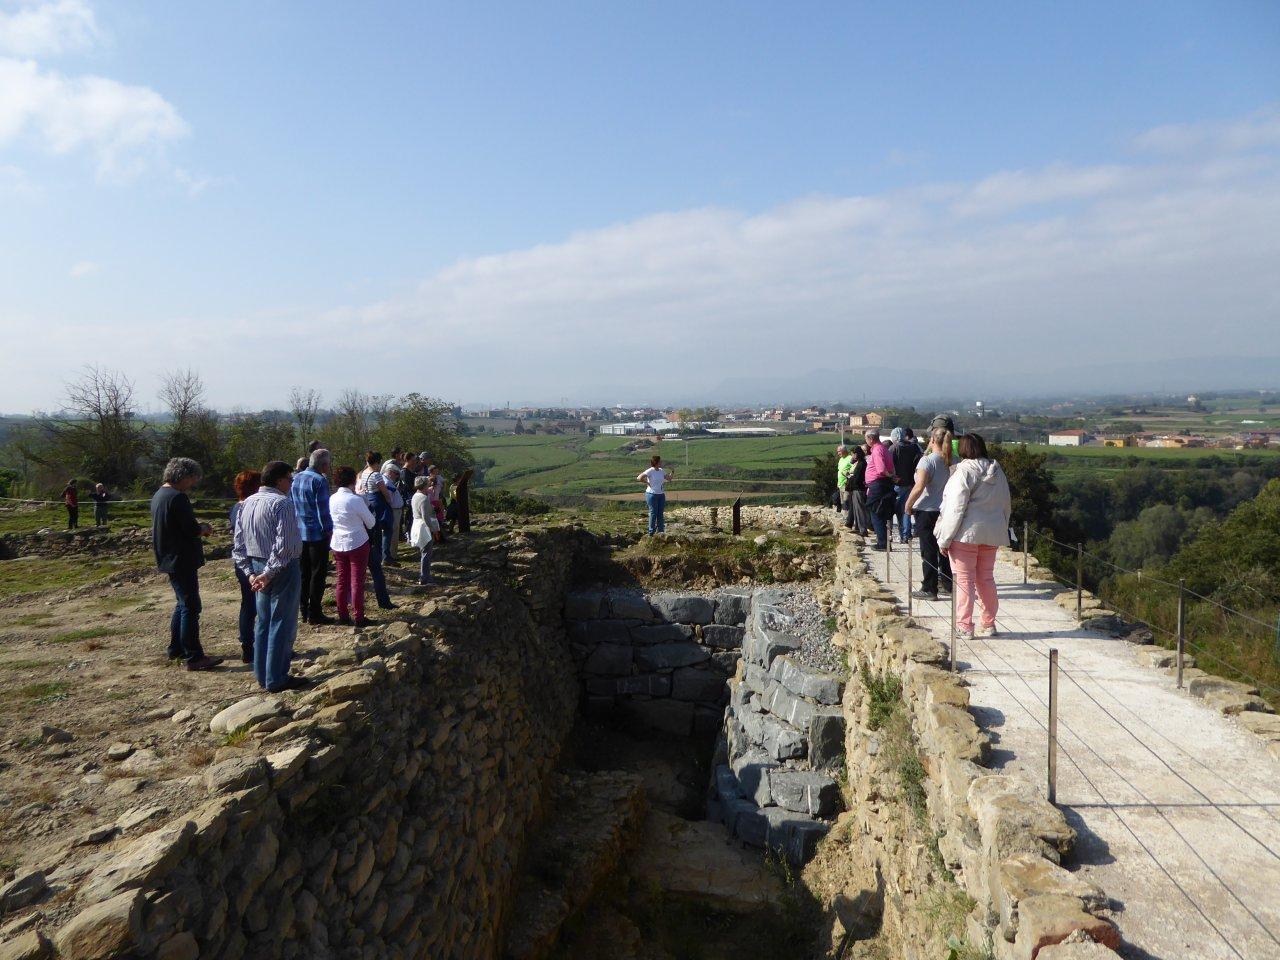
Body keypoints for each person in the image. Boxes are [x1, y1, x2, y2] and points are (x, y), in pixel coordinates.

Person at [233, 460, 308, 692]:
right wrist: (268, 573)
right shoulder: (282, 503)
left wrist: (250, 573)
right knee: (281, 621)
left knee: (264, 621)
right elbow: (285, 544)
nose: (292, 482)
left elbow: (238, 543)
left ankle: (262, 673)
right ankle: (276, 677)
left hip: (257, 565)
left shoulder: (247, 503)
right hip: (281, 568)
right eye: (289, 478)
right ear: (279, 480)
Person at [936, 433, 1012, 640]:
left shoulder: (963, 472)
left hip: (965, 534)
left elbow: (955, 509)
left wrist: (944, 538)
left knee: (964, 580)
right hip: (992, 532)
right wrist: (1002, 528)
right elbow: (1006, 504)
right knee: (986, 578)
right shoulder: (998, 472)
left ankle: (965, 625)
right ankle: (989, 623)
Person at [151, 458, 222, 671]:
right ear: (183, 476)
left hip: (168, 556)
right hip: (181, 557)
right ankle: (194, 656)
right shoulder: (177, 497)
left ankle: (177, 648)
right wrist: (204, 528)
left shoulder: (159, 495)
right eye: (192, 479)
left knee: (182, 604)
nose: (192, 484)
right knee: (191, 607)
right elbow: (191, 529)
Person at [905, 427, 954, 602]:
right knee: (944, 550)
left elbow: (919, 487)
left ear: (932, 440)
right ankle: (949, 585)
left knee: (928, 550)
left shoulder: (927, 461)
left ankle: (929, 588)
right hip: (945, 510)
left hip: (926, 510)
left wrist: (908, 505)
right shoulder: (951, 460)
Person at [291, 448, 333, 624]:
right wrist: (329, 531)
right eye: (328, 464)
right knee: (318, 574)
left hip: (300, 532)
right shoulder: (320, 481)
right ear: (323, 465)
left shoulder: (296, 478)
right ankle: (315, 612)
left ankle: (303, 609)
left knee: (304, 573)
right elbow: (322, 510)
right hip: (317, 535)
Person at [329, 465, 376, 625]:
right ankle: (359, 617)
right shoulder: (355, 500)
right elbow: (371, 523)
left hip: (337, 542)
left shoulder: (332, 498)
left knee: (342, 580)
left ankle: (343, 615)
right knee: (357, 581)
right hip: (357, 542)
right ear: (352, 481)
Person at [357, 451, 396, 610]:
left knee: (374, 530)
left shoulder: (364, 473)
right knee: (386, 528)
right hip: (379, 502)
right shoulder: (376, 475)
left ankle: (380, 554)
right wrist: (390, 500)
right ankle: (383, 556)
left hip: (369, 501)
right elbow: (384, 491)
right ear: (378, 462)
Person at [230, 470, 261, 663]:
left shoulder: (235, 507)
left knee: (247, 605)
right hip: (253, 559)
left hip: (240, 561)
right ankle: (259, 646)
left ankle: (247, 645)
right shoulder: (249, 507)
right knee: (260, 605)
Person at [863, 430, 896, 550]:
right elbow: (891, 467)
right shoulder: (884, 449)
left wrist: (889, 476)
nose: (866, 441)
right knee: (881, 512)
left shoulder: (877, 450)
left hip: (878, 485)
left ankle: (882, 543)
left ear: (871, 439)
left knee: (875, 512)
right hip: (882, 484)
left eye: (866, 439)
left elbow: (881, 469)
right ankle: (884, 542)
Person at [891, 427, 922, 543]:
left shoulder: (893, 448)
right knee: (908, 508)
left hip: (898, 483)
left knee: (901, 510)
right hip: (912, 482)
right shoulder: (914, 447)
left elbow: (890, 465)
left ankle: (904, 534)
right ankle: (907, 534)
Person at [409, 474, 440, 585]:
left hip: (416, 524)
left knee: (424, 552)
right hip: (423, 527)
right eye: (427, 484)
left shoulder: (415, 496)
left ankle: (425, 576)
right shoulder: (423, 498)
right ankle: (425, 577)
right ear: (424, 486)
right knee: (426, 552)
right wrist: (433, 529)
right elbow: (425, 517)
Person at [637, 455, 673, 535]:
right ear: (656, 462)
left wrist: (672, 471)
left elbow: (669, 479)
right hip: (652, 494)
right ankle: (651, 532)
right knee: (653, 513)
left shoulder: (661, 470)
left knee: (660, 513)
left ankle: (661, 531)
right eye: (660, 461)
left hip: (661, 494)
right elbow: (639, 478)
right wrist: (647, 482)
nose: (661, 462)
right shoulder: (650, 470)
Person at [842, 446, 870, 535]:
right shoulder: (860, 463)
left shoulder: (861, 464)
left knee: (859, 509)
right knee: (856, 509)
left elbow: (857, 478)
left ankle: (863, 529)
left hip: (858, 489)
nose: (852, 456)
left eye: (852, 454)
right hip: (856, 489)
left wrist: (849, 476)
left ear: (856, 454)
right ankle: (858, 527)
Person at [382, 463, 404, 566]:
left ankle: (392, 554)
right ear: (390, 472)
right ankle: (391, 555)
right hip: (393, 510)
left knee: (394, 532)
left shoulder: (388, 481)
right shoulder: (386, 482)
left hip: (395, 510)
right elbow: (389, 498)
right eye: (396, 473)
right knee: (393, 533)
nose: (396, 476)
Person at [835, 445, 853, 512]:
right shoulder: (841, 459)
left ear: (844, 451)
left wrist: (848, 473)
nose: (838, 453)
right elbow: (839, 471)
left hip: (847, 484)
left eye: (839, 451)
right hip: (840, 484)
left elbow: (854, 468)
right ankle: (845, 519)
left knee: (846, 502)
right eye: (837, 452)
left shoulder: (850, 458)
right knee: (843, 503)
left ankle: (849, 519)